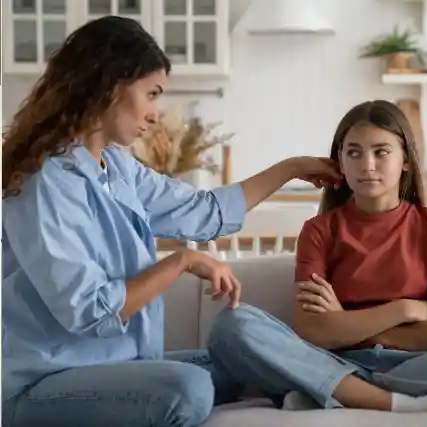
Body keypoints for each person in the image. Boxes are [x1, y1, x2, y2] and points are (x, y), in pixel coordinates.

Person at [1, 16, 342, 427]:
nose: (154, 114)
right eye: (152, 94)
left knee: (244, 361)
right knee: (188, 388)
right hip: (46, 382)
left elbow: (204, 212)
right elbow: (89, 310)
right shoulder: (43, 179)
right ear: (110, 84)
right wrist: (180, 262)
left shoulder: (118, 169)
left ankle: (374, 388)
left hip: (121, 366)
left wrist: (291, 168)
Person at [208, 100, 427, 412]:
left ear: (406, 160)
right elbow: (312, 331)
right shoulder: (319, 230)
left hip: (418, 364)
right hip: (334, 361)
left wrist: (350, 326)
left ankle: (337, 393)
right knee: (233, 325)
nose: (366, 165)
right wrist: (405, 309)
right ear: (340, 162)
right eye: (353, 153)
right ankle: (396, 401)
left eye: (381, 152)